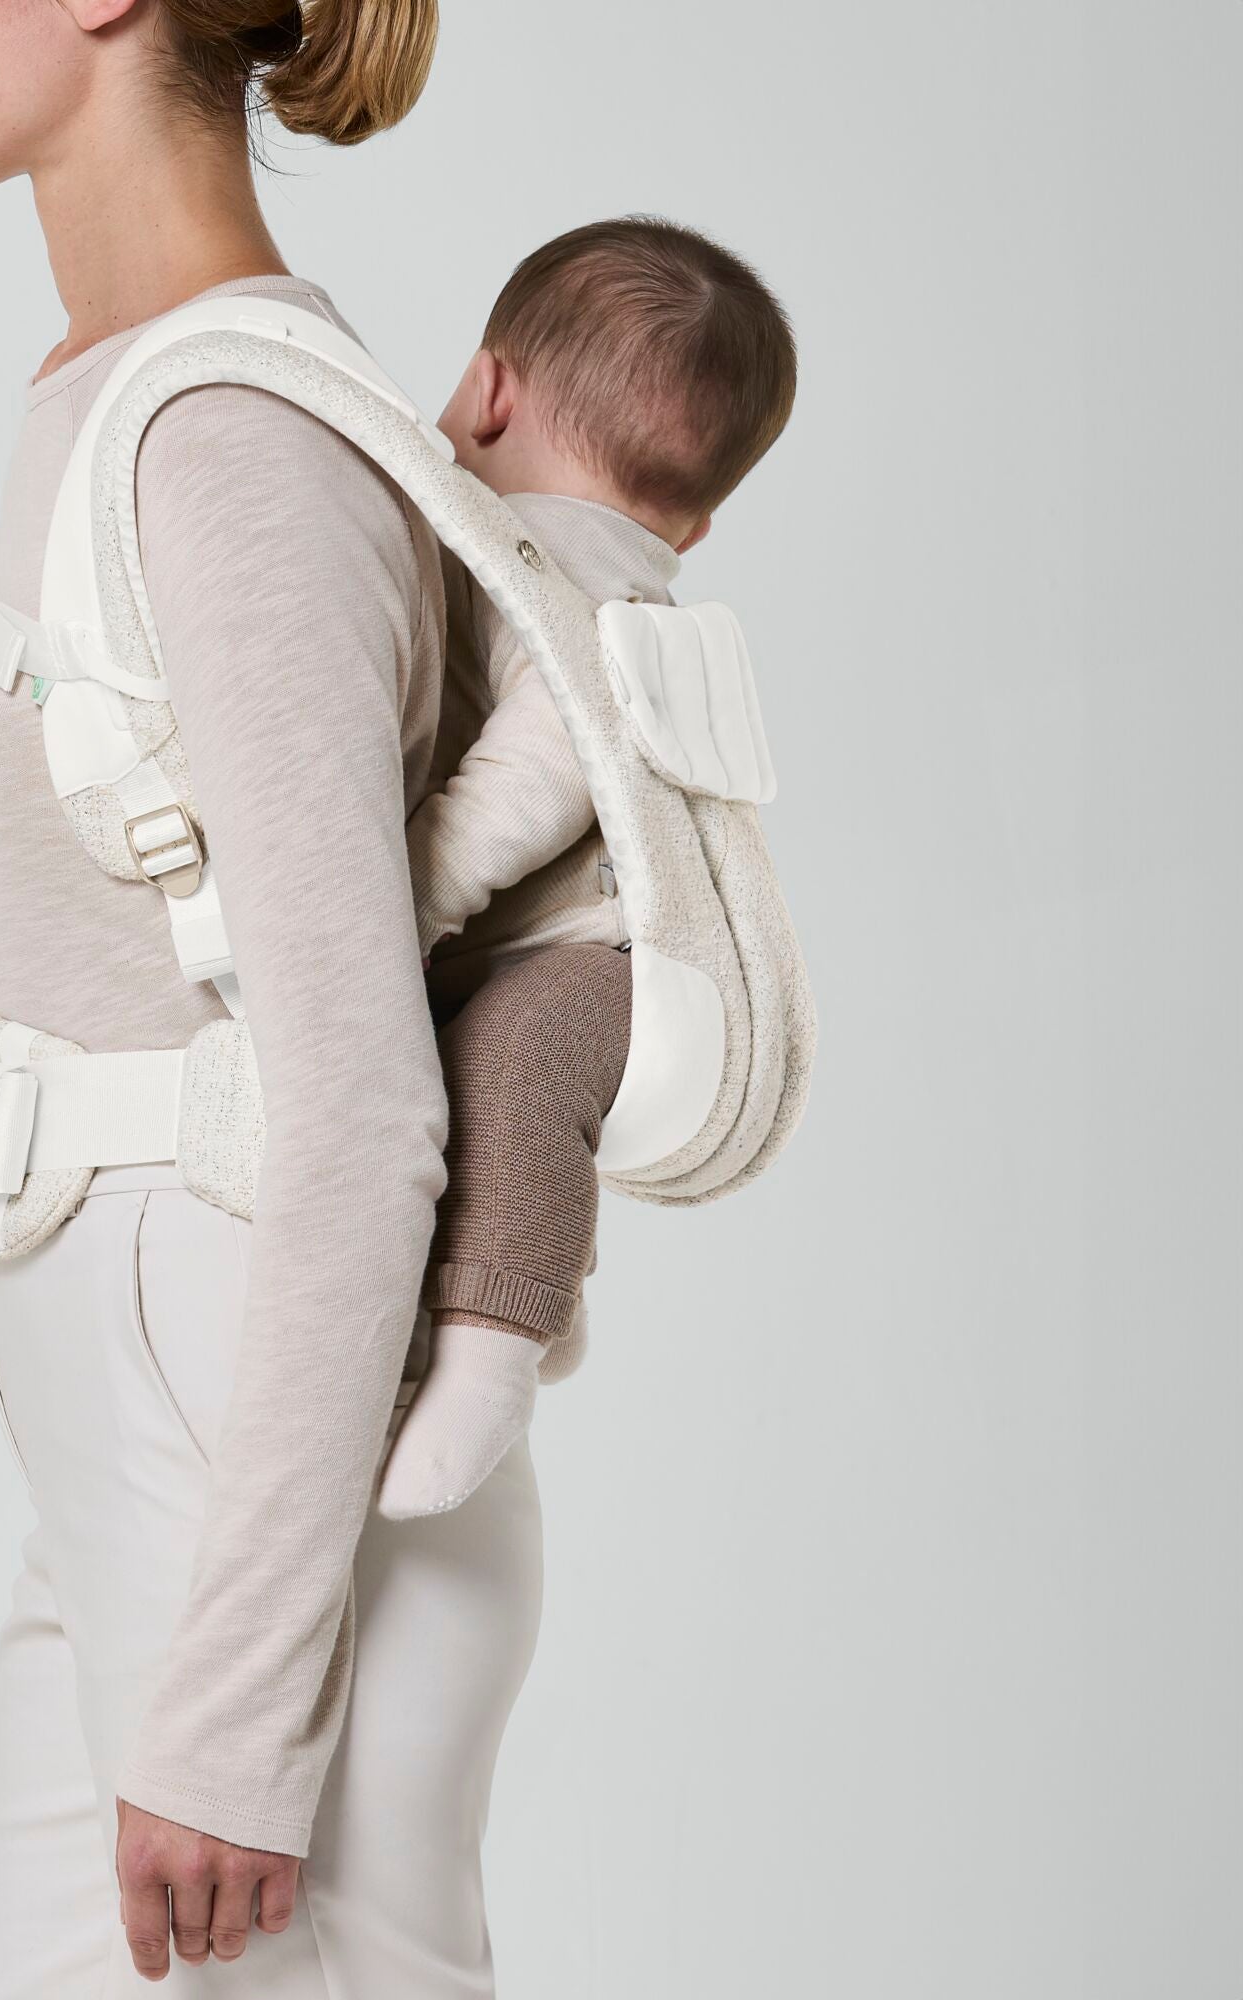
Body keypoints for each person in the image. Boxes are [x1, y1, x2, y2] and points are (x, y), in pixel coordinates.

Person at [0, 3, 541, 1994]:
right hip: (142, 1415)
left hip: (240, 1407)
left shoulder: (234, 438)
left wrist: (239, 1713)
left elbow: (364, 1103)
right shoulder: (127, 392)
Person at [376, 215, 800, 1521]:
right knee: (489, 1090)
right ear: (703, 522)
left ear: (487, 393)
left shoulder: (550, 566)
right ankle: (527, 1295)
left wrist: (413, 893)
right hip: (606, 961)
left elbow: (559, 746)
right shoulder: (621, 567)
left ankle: (494, 1353)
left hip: (604, 967)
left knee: (516, 1062)